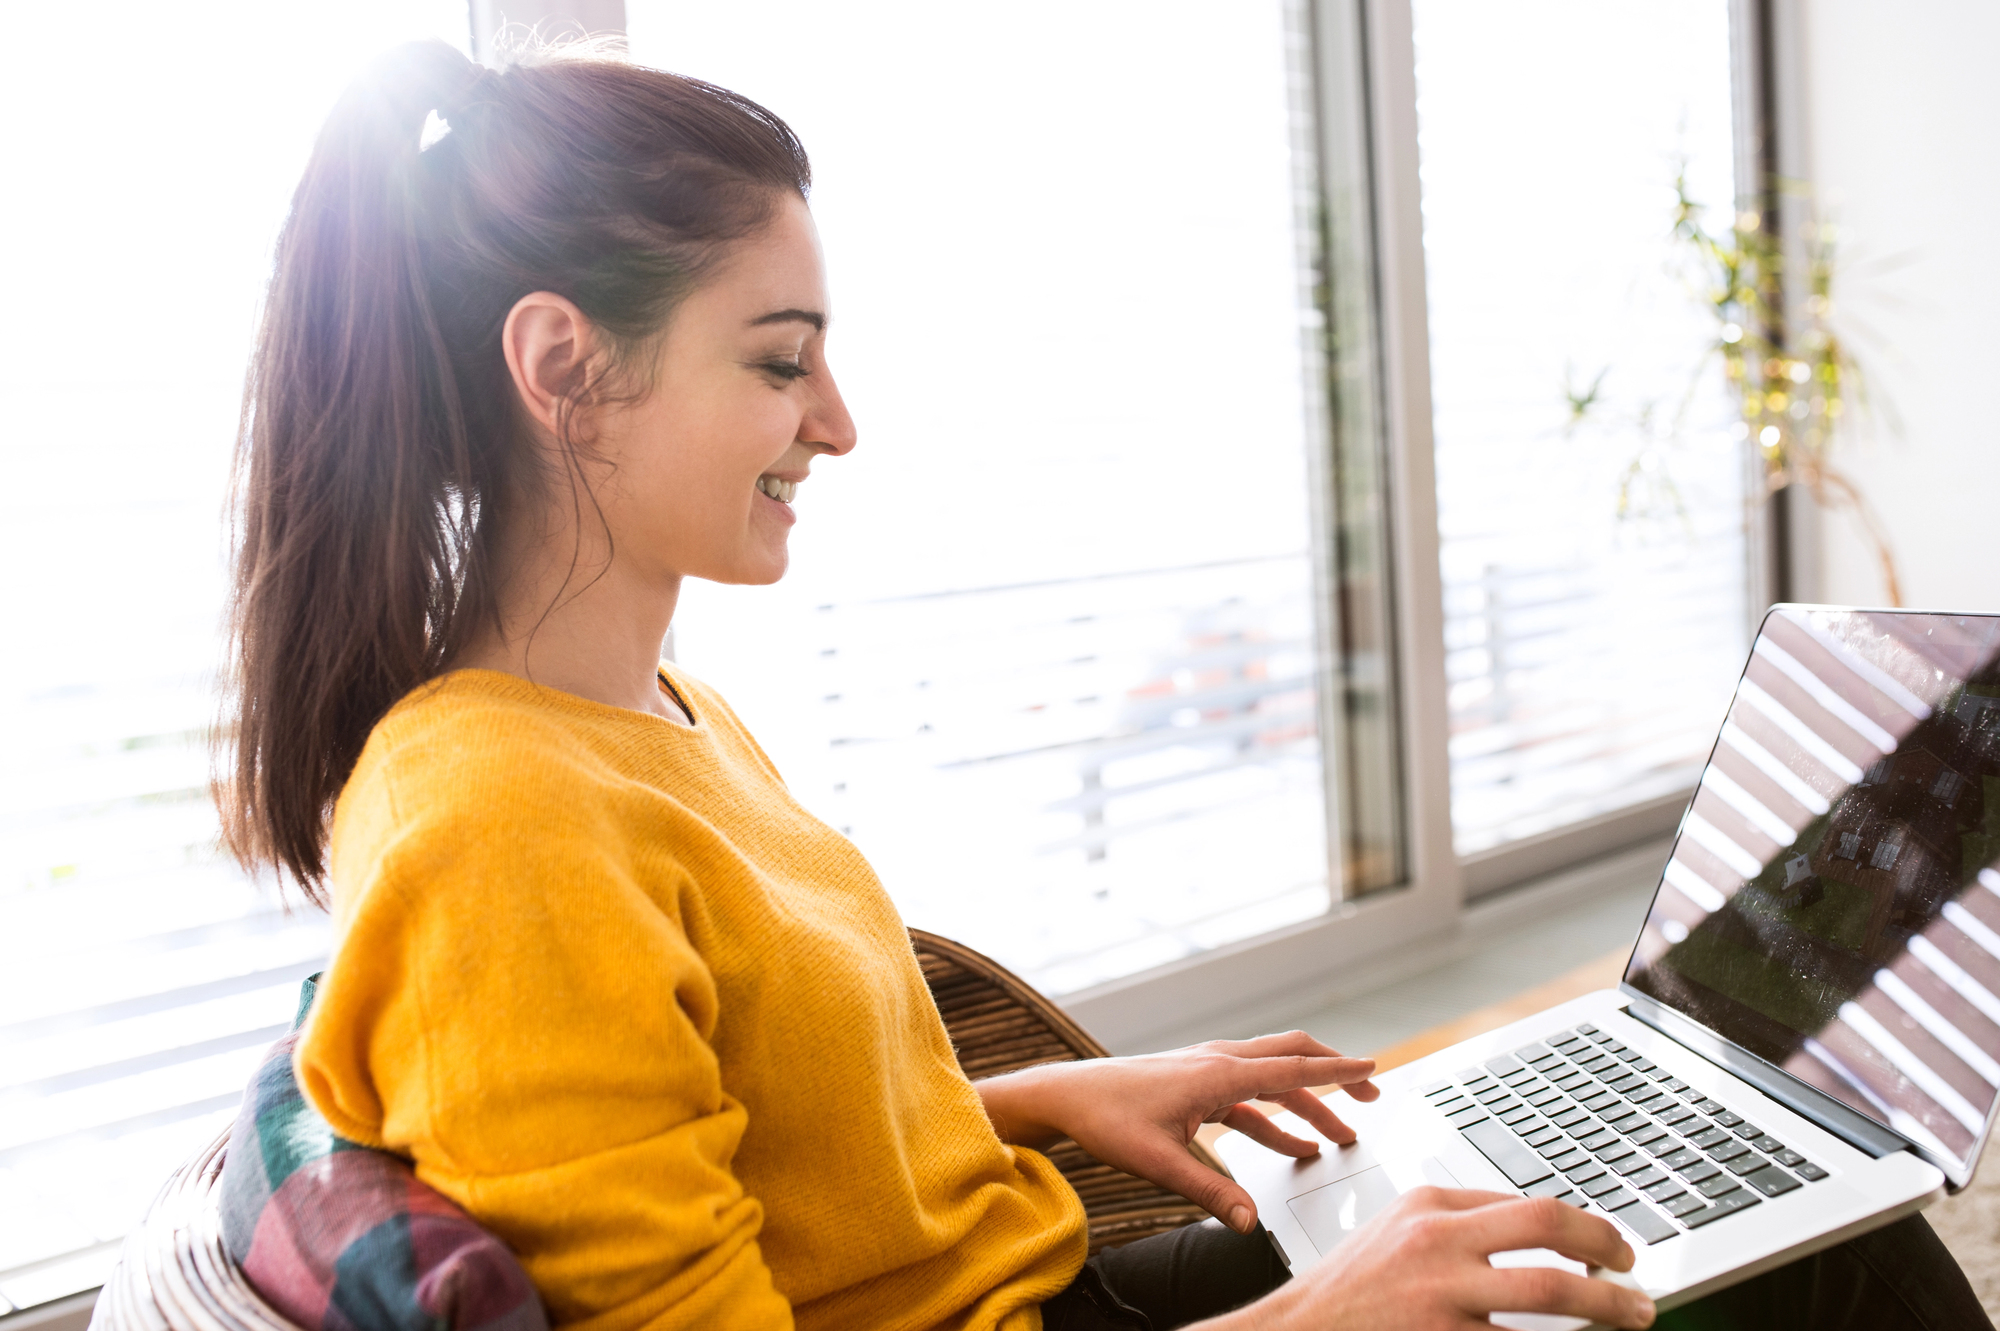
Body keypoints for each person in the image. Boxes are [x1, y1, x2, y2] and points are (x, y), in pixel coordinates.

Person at [218, 38, 1989, 1331]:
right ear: (563, 368)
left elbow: (735, 1129)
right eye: (781, 363)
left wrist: (1037, 1100)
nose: (838, 424)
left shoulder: (637, 718)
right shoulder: (499, 829)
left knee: (1788, 1229)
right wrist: (1321, 1317)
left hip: (1051, 1283)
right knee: (1822, 1282)